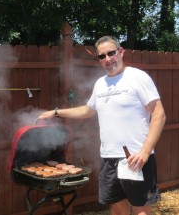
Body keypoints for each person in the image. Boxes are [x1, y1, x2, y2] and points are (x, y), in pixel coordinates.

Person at [39, 36, 166, 215]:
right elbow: (87, 110)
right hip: (109, 158)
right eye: (102, 56)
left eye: (111, 53)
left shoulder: (137, 77)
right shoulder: (101, 84)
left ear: (120, 52)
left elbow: (159, 114)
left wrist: (145, 152)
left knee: (141, 210)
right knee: (115, 207)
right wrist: (56, 112)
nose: (107, 59)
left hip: (136, 158)